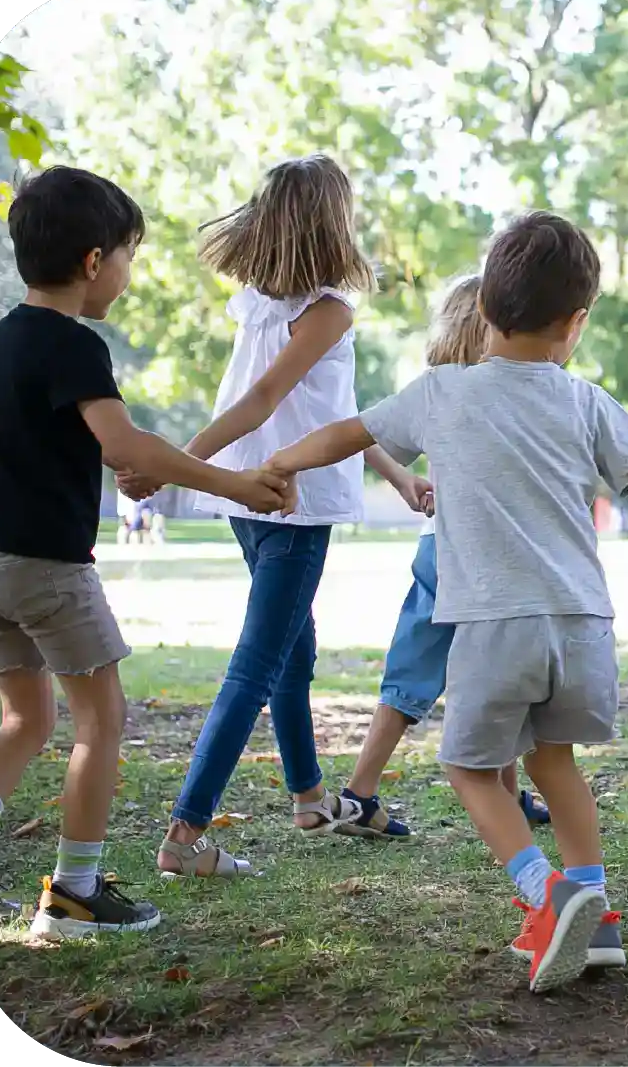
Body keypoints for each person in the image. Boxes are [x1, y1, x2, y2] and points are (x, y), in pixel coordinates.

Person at [264, 211, 628, 992]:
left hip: (495, 624)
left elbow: (348, 433)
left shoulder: (441, 392)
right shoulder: (584, 400)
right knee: (555, 763)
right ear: (577, 323)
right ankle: (594, 914)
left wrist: (284, 460)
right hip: (582, 626)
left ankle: (547, 891)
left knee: (468, 767)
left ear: (484, 314)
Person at [0, 166, 289, 949]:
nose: (128, 273)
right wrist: (237, 484)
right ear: (92, 261)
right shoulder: (74, 345)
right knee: (100, 720)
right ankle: (74, 894)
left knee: (23, 718)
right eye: (128, 256)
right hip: (46, 569)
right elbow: (124, 445)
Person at [118, 156, 432, 879]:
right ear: (334, 221)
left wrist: (396, 472)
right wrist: (171, 460)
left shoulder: (260, 302)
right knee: (259, 664)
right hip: (291, 499)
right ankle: (185, 834)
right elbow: (262, 401)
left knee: (295, 649)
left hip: (249, 498)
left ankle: (310, 798)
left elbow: (335, 411)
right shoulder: (326, 310)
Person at [338, 275, 551, 838]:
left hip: (439, 550)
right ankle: (372, 794)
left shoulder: (437, 388)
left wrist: (406, 479)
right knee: (498, 667)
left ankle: (362, 791)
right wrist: (410, 481)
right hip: (481, 558)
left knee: (419, 669)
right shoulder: (503, 389)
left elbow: (365, 433)